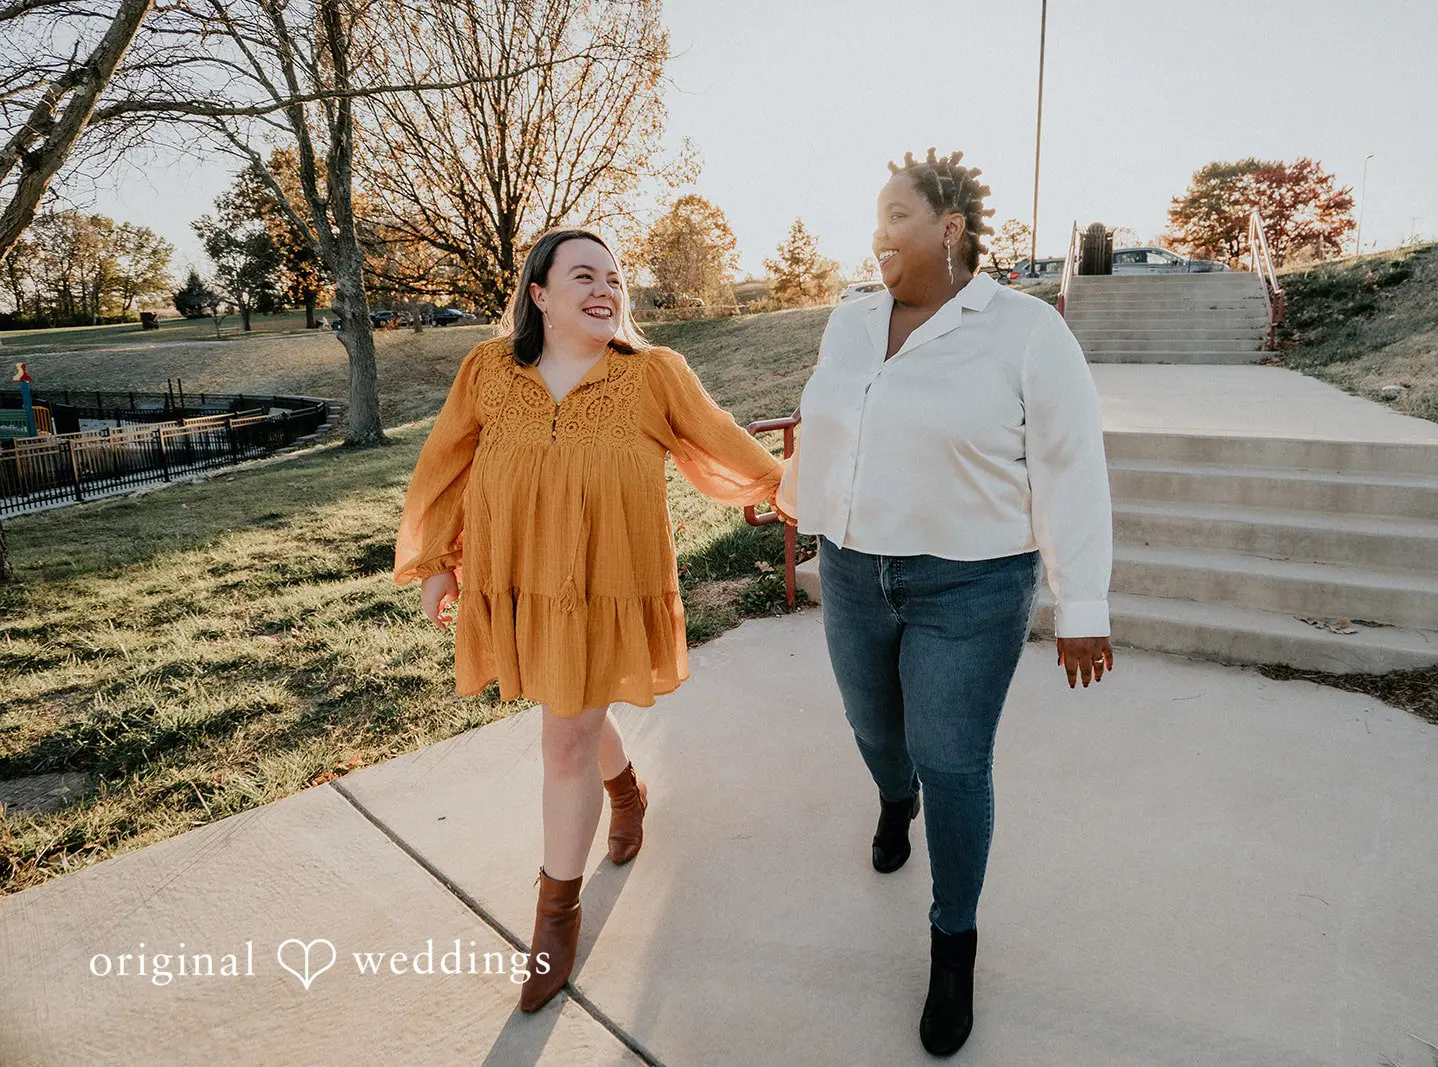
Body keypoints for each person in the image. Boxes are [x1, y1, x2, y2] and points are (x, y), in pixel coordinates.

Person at [775, 149, 1115, 1056]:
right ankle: (895, 799)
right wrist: (797, 500)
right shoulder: (849, 323)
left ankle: (953, 942)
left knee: (954, 758)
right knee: (875, 730)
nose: (879, 233)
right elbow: (832, 426)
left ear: (950, 226)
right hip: (853, 569)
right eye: (876, 216)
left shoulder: (1025, 332)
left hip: (972, 579)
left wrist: (1082, 603)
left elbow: (1072, 464)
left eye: (896, 214)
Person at [393, 227, 783, 1014]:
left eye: (614, 278)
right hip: (518, 579)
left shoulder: (653, 374)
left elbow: (725, 445)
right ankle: (626, 791)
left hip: (609, 583)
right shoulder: (488, 372)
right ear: (538, 293)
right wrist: (437, 560)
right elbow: (443, 463)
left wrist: (794, 484)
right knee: (564, 700)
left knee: (564, 731)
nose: (607, 288)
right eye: (584, 275)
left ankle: (554, 918)